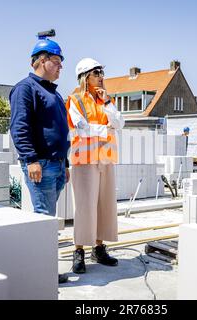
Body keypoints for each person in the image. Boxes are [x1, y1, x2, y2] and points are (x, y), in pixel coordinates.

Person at [9, 34, 70, 284]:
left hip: (56, 166)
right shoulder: (26, 88)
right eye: (57, 61)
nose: (60, 66)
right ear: (42, 60)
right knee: (45, 220)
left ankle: (41, 267)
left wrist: (65, 164)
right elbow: (19, 127)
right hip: (41, 165)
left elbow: (61, 130)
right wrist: (31, 159)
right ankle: (44, 273)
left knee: (46, 218)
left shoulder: (54, 94)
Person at [65, 58, 125, 274]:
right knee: (84, 206)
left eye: (102, 71)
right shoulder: (75, 99)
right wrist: (105, 129)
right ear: (85, 76)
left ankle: (98, 249)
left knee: (104, 204)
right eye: (96, 71)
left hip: (106, 158)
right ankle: (78, 251)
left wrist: (107, 103)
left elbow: (120, 123)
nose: (101, 75)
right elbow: (81, 128)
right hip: (84, 160)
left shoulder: (105, 101)